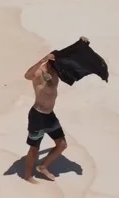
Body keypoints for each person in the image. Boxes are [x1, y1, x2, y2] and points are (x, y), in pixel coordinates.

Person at [23, 37, 88, 183]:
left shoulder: (57, 72)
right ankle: (27, 176)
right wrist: (42, 60)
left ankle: (43, 166)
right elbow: (27, 76)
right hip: (37, 116)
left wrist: (81, 45)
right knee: (35, 148)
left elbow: (71, 58)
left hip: (50, 116)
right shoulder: (40, 71)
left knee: (62, 144)